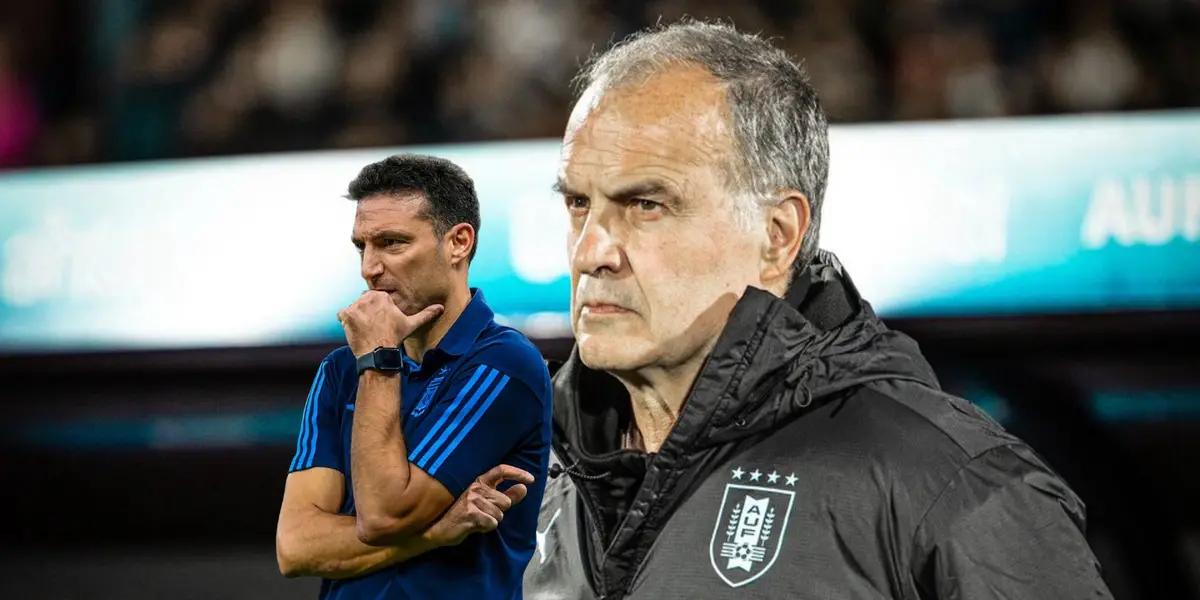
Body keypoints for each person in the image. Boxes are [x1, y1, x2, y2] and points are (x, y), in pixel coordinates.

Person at [523, 20, 1114, 599]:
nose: (591, 251)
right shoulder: (515, 470)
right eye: (579, 203)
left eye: (646, 205)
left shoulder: (948, 482)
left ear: (778, 235)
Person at [276, 154, 553, 599]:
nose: (369, 267)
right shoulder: (340, 369)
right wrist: (434, 533)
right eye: (362, 246)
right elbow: (296, 547)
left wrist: (380, 360)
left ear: (458, 242)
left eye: (392, 243)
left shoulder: (503, 363)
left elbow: (384, 515)